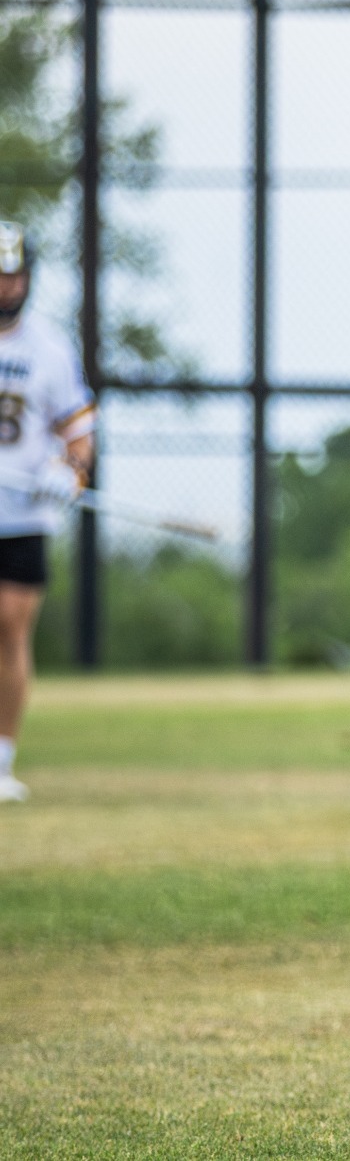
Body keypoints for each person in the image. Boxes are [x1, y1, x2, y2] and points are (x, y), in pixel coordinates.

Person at [0, 221, 96, 805]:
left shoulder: (49, 349)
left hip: (23, 514)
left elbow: (77, 433)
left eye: (11, 274)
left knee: (9, 627)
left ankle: (2, 756)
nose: (4, 286)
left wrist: (70, 472)